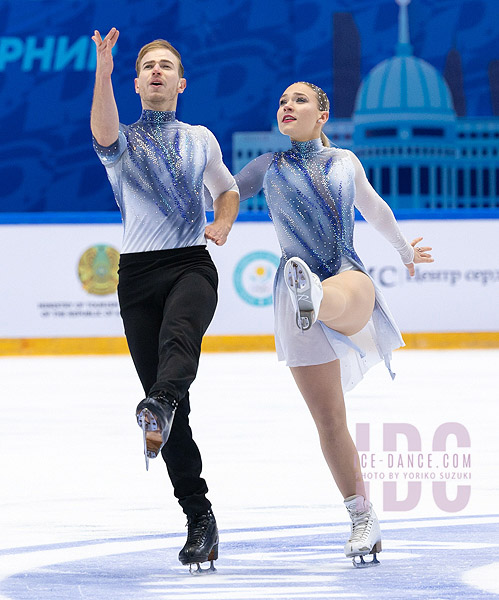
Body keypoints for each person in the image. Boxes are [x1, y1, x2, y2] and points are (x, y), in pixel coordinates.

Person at [234, 81, 433, 567]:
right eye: (281, 101)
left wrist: (405, 250)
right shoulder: (266, 167)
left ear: (322, 115)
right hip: (293, 291)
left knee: (347, 289)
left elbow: (376, 209)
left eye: (299, 100)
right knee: (329, 420)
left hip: (345, 274)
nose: (287, 106)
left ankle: (316, 298)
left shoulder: (345, 161)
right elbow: (221, 195)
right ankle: (363, 516)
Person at [90, 28, 239, 572]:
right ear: (135, 83)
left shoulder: (201, 137)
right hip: (138, 276)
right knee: (174, 409)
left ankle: (160, 404)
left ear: (181, 81)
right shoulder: (123, 140)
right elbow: (102, 130)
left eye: (165, 66)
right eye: (147, 66)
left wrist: (222, 221)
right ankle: (199, 516)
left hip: (190, 264)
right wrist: (102, 74)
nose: (156, 71)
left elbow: (227, 188)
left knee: (179, 343)